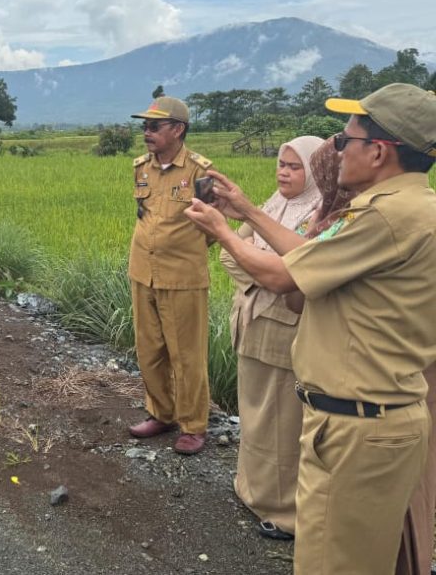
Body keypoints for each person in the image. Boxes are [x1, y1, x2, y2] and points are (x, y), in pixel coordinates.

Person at [184, 83, 436, 574]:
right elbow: (307, 255)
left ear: (379, 152)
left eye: (345, 141)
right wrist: (250, 211)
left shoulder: (385, 216)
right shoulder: (403, 208)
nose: (336, 151)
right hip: (363, 418)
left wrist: (219, 231)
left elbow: (283, 275)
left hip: (359, 427)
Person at [219, 135, 324, 540]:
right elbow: (230, 251)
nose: (283, 172)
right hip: (252, 319)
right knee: (254, 414)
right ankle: (251, 490)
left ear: (314, 172)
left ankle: (285, 513)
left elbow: (295, 274)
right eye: (281, 164)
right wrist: (269, 277)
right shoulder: (271, 205)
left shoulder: (319, 213)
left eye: (295, 166)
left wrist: (273, 277)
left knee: (284, 420)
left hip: (286, 331)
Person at [127, 96, 214, 455]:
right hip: (143, 272)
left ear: (177, 130)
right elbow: (142, 214)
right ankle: (161, 413)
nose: (146, 133)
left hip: (182, 277)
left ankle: (193, 425)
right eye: (144, 126)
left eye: (154, 126)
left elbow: (213, 225)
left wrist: (180, 251)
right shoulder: (141, 167)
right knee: (149, 349)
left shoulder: (199, 172)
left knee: (187, 354)